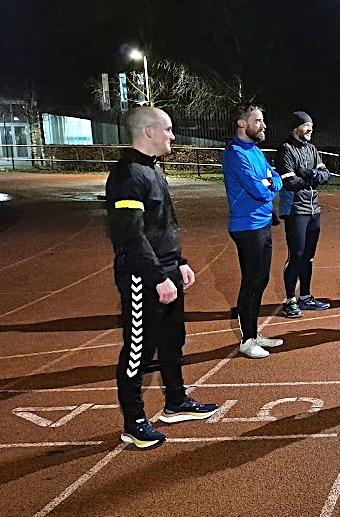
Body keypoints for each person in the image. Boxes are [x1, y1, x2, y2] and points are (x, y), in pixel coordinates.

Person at [105, 106, 218, 449]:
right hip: (143, 277)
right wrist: (157, 277)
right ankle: (134, 422)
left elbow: (161, 226)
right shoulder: (128, 176)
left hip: (166, 269)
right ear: (148, 132)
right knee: (139, 350)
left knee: (173, 339)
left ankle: (176, 401)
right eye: (168, 129)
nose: (173, 135)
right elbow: (131, 236)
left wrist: (179, 261)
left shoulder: (153, 171)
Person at [223, 105, 283, 359]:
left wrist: (269, 183)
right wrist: (267, 185)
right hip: (247, 227)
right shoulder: (236, 154)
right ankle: (247, 340)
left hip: (262, 223)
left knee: (261, 280)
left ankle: (254, 333)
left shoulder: (255, 151)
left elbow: (276, 179)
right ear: (241, 124)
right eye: (257, 121)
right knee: (251, 281)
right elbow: (259, 190)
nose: (263, 125)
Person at [276, 111, 332, 318]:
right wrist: (312, 177)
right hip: (295, 210)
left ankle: (306, 297)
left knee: (308, 256)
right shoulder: (285, 150)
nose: (310, 129)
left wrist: (307, 174)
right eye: (306, 125)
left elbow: (325, 175)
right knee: (297, 255)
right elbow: (289, 182)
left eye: (311, 125)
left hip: (314, 210)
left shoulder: (312, 149)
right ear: (295, 127)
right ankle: (290, 300)